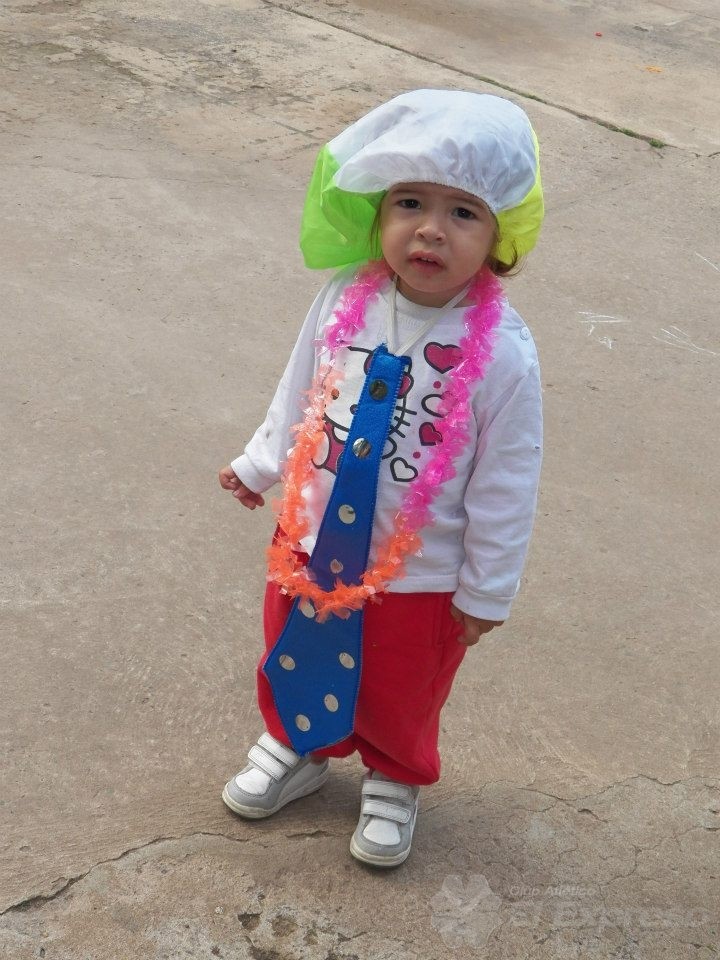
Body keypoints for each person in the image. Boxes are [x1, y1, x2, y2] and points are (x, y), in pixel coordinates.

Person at [218, 89, 544, 868]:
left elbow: (508, 481)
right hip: (311, 534)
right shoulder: (345, 297)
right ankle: (300, 743)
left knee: (403, 681)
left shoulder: (504, 352)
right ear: (378, 211)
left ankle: (396, 774)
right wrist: (261, 463)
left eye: (463, 212)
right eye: (410, 202)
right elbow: (299, 389)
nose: (430, 228)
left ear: (501, 235)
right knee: (295, 644)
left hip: (420, 569)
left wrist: (486, 589)